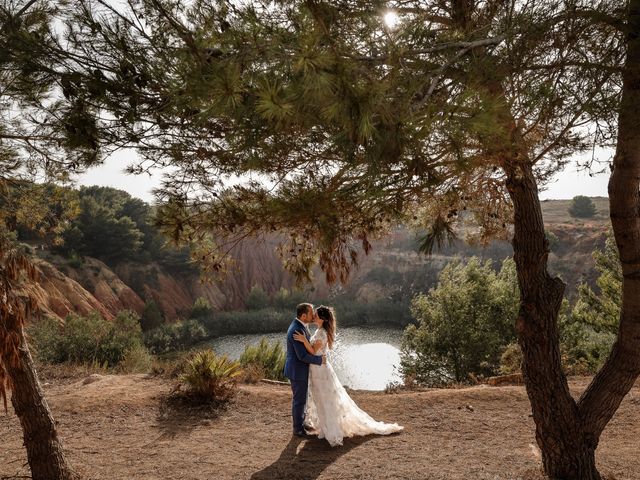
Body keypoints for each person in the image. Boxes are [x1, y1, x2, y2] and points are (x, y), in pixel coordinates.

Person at [293, 305, 404, 446]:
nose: (313, 317)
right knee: (321, 398)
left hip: (320, 370)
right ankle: (325, 427)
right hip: (317, 368)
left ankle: (331, 430)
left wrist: (303, 341)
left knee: (325, 398)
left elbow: (313, 352)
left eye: (316, 315)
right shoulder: (320, 331)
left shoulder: (321, 333)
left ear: (322, 319)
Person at [283, 303, 325, 438]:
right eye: (311, 313)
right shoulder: (297, 330)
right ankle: (297, 429)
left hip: (299, 370)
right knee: (299, 400)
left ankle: (301, 423)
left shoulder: (301, 326)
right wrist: (319, 360)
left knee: (303, 399)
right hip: (297, 370)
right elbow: (302, 356)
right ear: (303, 315)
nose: (313, 315)